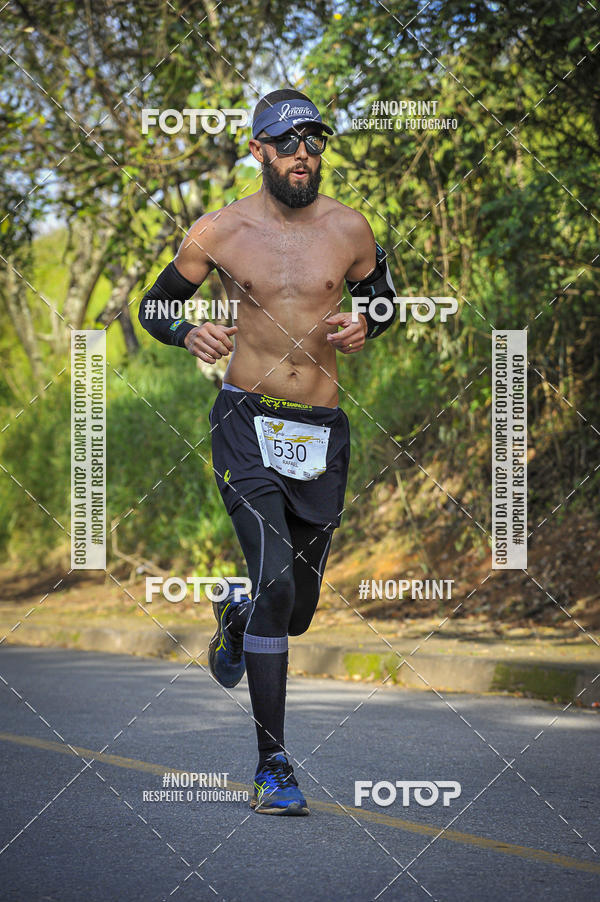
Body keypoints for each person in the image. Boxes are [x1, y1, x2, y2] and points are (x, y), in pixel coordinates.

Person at [139, 89, 397, 816]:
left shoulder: (350, 228)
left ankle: (237, 609)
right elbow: (154, 305)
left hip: (319, 431)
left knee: (298, 608)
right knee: (281, 583)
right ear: (258, 151)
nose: (304, 155)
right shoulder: (220, 231)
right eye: (288, 144)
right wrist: (186, 332)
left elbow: (385, 297)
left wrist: (367, 324)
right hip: (245, 424)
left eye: (314, 141)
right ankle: (273, 764)